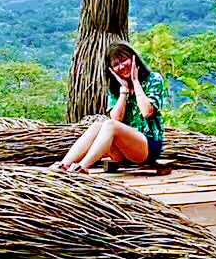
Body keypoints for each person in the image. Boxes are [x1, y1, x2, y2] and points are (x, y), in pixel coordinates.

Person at [53, 41, 166, 173]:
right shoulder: (115, 89)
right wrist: (124, 90)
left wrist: (135, 82)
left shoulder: (153, 79)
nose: (121, 66)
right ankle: (62, 166)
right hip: (121, 152)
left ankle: (82, 167)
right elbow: (116, 118)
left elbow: (147, 111)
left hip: (146, 148)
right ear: (111, 69)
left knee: (110, 124)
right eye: (116, 64)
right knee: (97, 126)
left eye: (124, 60)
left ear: (134, 59)